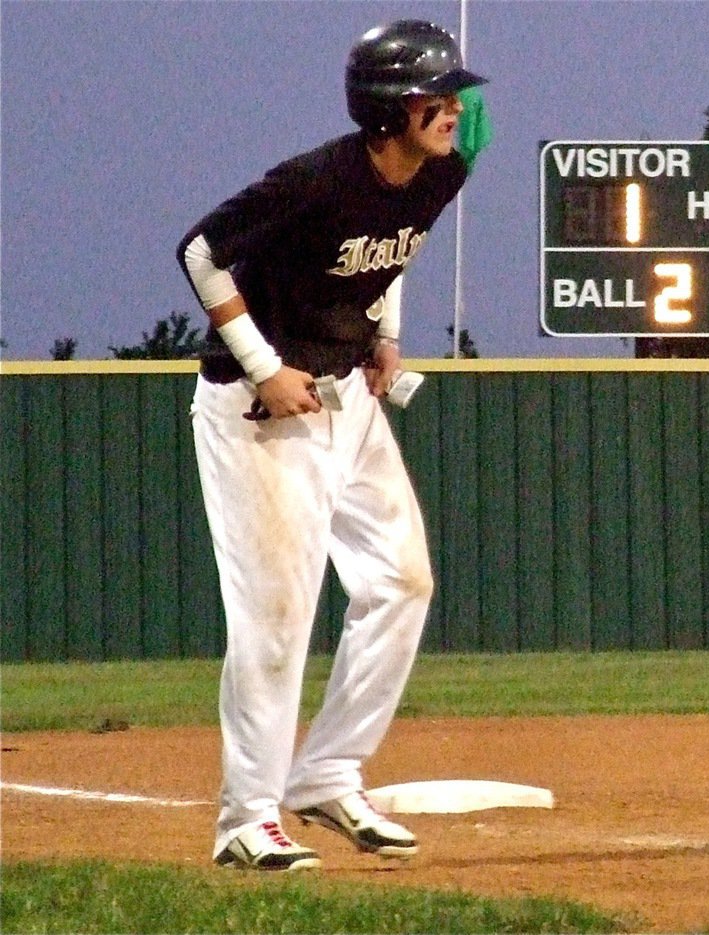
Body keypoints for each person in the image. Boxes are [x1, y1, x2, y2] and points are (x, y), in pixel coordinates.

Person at [177, 21, 486, 871]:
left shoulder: (438, 172)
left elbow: (388, 259)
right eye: (438, 92)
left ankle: (328, 773)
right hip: (260, 410)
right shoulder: (315, 180)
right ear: (392, 106)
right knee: (275, 617)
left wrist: (384, 332)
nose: (454, 106)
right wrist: (264, 365)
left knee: (401, 580)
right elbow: (201, 253)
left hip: (348, 394)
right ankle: (246, 817)